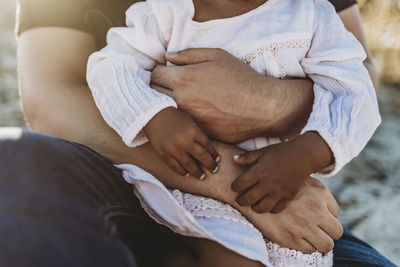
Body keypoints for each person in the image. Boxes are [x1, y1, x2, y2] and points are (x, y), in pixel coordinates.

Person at [0, 0, 393, 266]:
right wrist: (157, 117)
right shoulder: (166, 13)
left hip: (280, 187)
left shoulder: (311, 15)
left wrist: (284, 124)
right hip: (137, 172)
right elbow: (71, 88)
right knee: (13, 158)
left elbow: (356, 85)